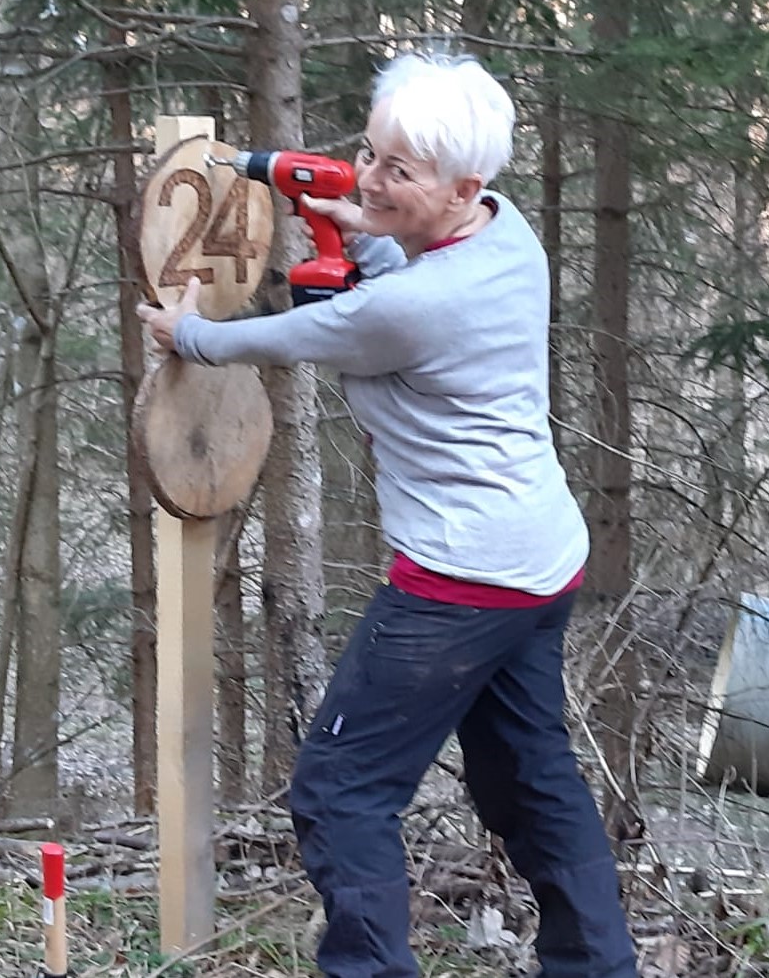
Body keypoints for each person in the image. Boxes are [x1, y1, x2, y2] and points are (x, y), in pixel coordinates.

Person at [137, 51, 639, 978]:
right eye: (366, 155)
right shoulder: (506, 234)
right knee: (527, 776)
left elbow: (308, 332)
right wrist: (365, 233)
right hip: (539, 560)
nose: (366, 179)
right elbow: (383, 289)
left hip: (459, 581)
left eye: (397, 172)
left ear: (464, 186)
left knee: (340, 790)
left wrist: (192, 335)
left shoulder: (413, 305)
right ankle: (598, 966)